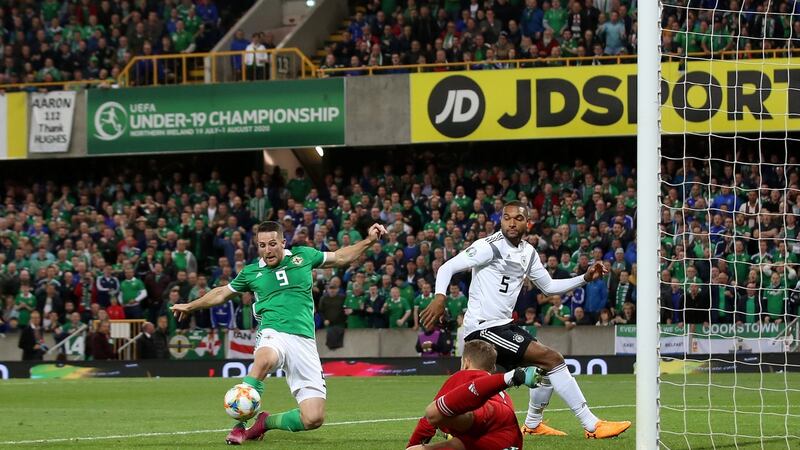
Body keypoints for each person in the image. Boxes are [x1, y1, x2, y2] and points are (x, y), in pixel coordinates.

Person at [421, 201, 630, 438]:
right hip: (483, 328)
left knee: (538, 370)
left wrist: (584, 277)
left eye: (518, 218)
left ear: (527, 222)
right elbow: (447, 267)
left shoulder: (528, 252)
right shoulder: (488, 247)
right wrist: (440, 297)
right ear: (500, 221)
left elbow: (549, 287)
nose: (512, 222)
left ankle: (532, 424)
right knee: (552, 359)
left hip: (502, 326)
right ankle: (592, 425)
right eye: (507, 218)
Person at [172, 220, 387, 445]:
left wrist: (369, 240)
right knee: (265, 358)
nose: (267, 250)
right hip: (273, 331)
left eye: (272, 244)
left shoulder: (303, 256)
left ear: (283, 242)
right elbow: (221, 294)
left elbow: (340, 257)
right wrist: (190, 305)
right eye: (262, 245)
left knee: (313, 418)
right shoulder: (251, 273)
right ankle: (240, 425)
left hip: (304, 341)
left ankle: (264, 423)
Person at [406, 340, 537, 449]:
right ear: (492, 368)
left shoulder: (462, 376)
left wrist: (413, 444)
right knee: (457, 441)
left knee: (433, 413)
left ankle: (509, 377)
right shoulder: (500, 391)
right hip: (507, 433)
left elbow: (429, 422)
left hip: (484, 415)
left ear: (466, 362)